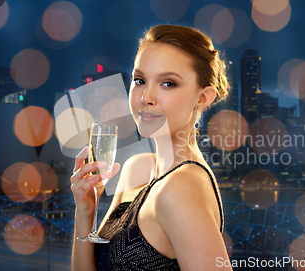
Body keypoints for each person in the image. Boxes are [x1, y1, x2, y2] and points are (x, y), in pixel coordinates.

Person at [71, 24, 232, 271]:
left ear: (203, 98)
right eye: (140, 80)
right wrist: (85, 211)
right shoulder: (138, 168)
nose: (146, 96)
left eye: (168, 83)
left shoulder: (182, 187)